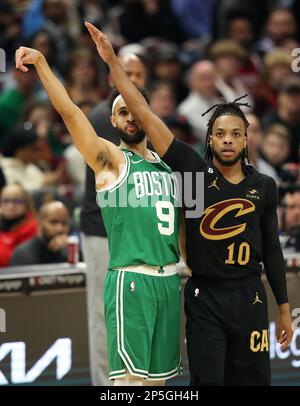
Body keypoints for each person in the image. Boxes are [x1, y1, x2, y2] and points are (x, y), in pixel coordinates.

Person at [85, 22, 294, 386]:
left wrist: (286, 309)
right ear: (208, 139)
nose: (228, 141)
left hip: (250, 296)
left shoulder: (264, 185)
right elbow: (145, 115)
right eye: (220, 134)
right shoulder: (193, 174)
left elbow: (273, 248)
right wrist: (114, 65)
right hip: (205, 296)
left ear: (247, 140)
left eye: (236, 135)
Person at [15, 43, 181, 386]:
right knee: (129, 385)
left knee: (158, 385)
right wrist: (44, 64)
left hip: (168, 282)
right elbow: (71, 113)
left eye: (135, 110)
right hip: (132, 280)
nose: (131, 118)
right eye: (122, 112)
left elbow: (186, 221)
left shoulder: (171, 166)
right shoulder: (109, 159)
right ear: (112, 120)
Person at [80, 52, 147, 386]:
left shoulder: (149, 118)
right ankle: (106, 388)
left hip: (140, 234)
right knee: (104, 315)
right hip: (102, 230)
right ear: (112, 77)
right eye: (126, 72)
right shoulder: (99, 116)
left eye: (137, 74)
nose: (132, 79)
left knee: (138, 317)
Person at [10, 200, 70, 266]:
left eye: (64, 223)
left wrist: (70, 250)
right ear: (39, 221)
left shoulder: (70, 250)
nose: (59, 228)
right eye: (53, 222)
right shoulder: (22, 254)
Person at [0, 184, 38, 267]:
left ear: (26, 204)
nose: (11, 206)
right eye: (6, 201)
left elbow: (17, 259)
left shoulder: (32, 227)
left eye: (16, 201)